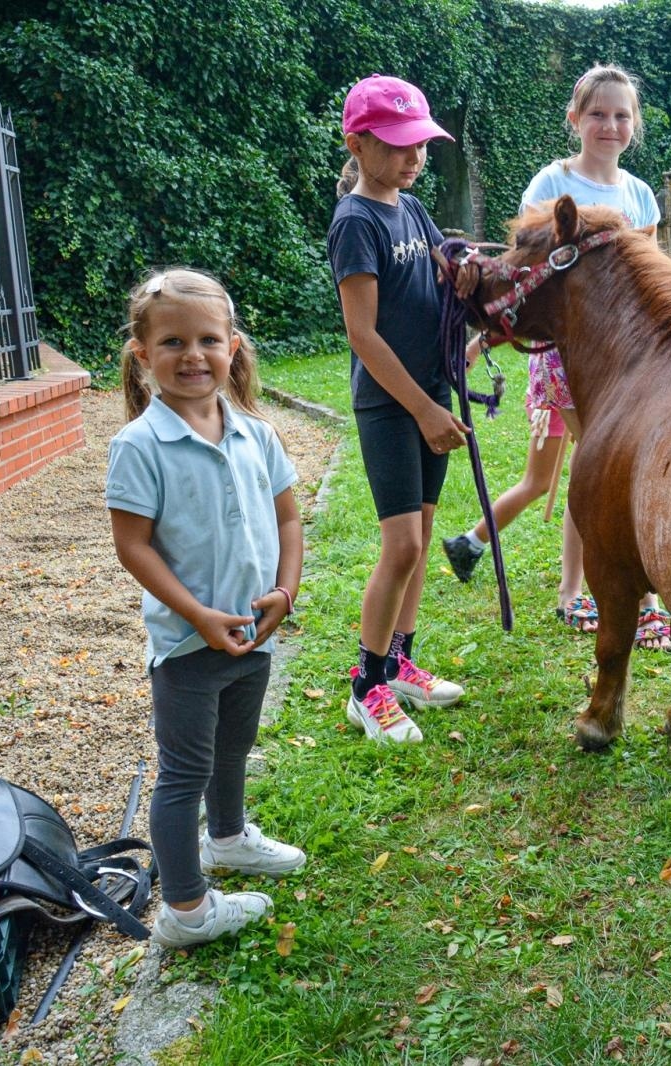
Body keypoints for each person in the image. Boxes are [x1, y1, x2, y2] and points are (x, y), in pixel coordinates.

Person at [441, 64, 671, 652]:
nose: (610, 125)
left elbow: (649, 278)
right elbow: (526, 275)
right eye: (597, 114)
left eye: (621, 115)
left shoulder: (639, 195)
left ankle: (483, 546)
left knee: (587, 469)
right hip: (563, 353)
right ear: (574, 119)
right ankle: (596, 595)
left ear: (635, 124)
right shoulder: (551, 182)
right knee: (599, 468)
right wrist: (484, 339)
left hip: (624, 355)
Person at [106, 268, 306, 947]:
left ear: (232, 347)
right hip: (188, 646)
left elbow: (288, 520)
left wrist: (285, 592)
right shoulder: (138, 446)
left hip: (255, 631)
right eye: (173, 343)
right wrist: (196, 614)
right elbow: (133, 546)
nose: (192, 355)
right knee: (184, 774)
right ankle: (186, 912)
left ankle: (227, 838)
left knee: (233, 749)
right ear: (143, 354)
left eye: (208, 340)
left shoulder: (257, 434)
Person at [329, 74, 466, 745]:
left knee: (422, 535)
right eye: (398, 143)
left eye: (421, 143)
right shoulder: (356, 221)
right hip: (390, 406)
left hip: (430, 394)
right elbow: (362, 334)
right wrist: (423, 411)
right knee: (403, 544)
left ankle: (400, 662)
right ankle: (367, 685)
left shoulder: (409, 208)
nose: (415, 156)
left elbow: (447, 269)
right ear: (357, 143)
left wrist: (473, 275)